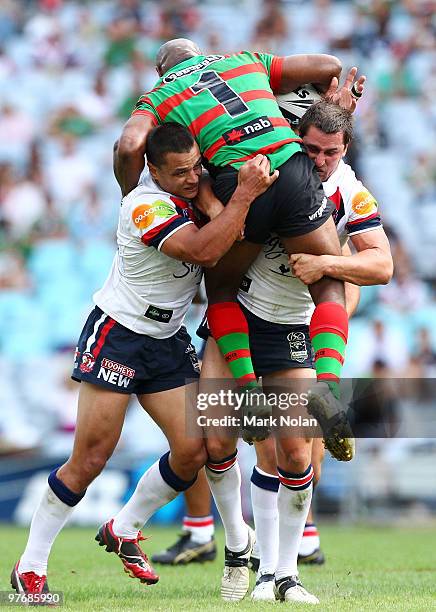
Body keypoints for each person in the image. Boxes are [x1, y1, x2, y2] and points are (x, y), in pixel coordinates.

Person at [11, 123, 276, 597]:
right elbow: (205, 250)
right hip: (119, 334)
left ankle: (125, 526)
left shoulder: (196, 191)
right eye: (179, 173)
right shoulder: (143, 204)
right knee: (90, 458)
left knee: (195, 451)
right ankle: (29, 566)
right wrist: (242, 199)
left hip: (167, 339)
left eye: (197, 167)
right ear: (153, 170)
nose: (193, 178)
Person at [153, 99, 393, 604]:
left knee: (294, 452)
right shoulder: (264, 173)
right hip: (238, 318)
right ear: (292, 140)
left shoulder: (349, 191)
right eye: (309, 149)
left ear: (345, 150)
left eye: (330, 152)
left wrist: (330, 264)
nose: (320, 160)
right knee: (217, 443)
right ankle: (243, 557)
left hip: (293, 329)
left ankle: (283, 575)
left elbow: (381, 267)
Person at [115, 38, 367, 463]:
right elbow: (329, 63)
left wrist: (127, 192)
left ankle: (249, 393)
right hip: (289, 166)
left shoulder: (159, 96)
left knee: (223, 292)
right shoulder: (243, 60)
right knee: (330, 283)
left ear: (162, 72)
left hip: (240, 183)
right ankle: (327, 385)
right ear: (201, 54)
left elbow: (128, 145)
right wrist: (329, 99)